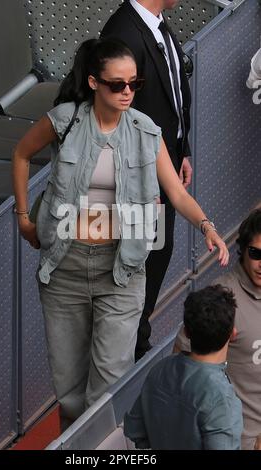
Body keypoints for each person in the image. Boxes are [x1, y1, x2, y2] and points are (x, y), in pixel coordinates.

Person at [12, 37, 228, 427]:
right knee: (72, 395)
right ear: (94, 83)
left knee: (106, 390)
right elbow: (21, 154)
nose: (128, 92)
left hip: (122, 271)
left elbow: (176, 192)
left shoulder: (146, 131)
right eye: (118, 84)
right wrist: (24, 216)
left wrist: (207, 226)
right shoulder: (66, 119)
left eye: (135, 84)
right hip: (66, 267)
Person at [101, 0, 193, 361]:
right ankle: (126, 357)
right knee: (138, 266)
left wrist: (181, 149)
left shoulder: (157, 25)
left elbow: (171, 95)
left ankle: (135, 349)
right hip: (141, 182)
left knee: (155, 258)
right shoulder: (123, 30)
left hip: (163, 166)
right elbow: (113, 116)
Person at [174, 208, 261, 450]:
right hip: (235, 441)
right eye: (256, 253)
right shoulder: (222, 299)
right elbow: (180, 367)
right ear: (242, 250)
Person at [124, 285, 243, 450]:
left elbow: (136, 432)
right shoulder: (222, 399)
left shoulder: (160, 369)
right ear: (233, 334)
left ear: (186, 331)